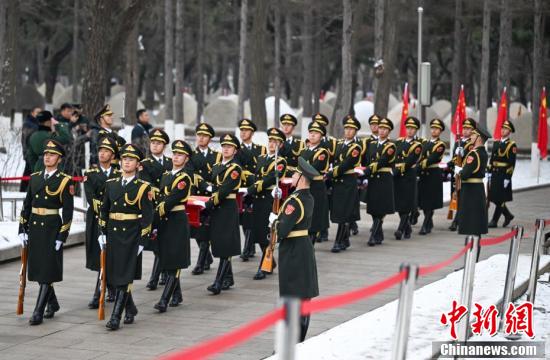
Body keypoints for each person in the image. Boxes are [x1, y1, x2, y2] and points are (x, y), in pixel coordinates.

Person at [18, 140, 74, 325]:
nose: (47, 157)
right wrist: (22, 228)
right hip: (35, 227)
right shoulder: (35, 177)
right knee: (39, 269)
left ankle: (38, 312)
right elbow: (27, 206)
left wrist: (62, 236)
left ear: (59, 158)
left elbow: (67, 212)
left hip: (51, 228)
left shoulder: (65, 181)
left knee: (46, 271)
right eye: (46, 154)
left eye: (52, 155)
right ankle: (53, 303)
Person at [98, 144, 153, 330]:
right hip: (113, 233)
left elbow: (147, 217)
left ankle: (116, 317)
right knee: (114, 276)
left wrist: (142, 242)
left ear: (138, 164)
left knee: (125, 276)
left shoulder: (143, 187)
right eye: (124, 159)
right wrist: (102, 233)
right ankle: (131, 309)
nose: (127, 162)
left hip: (131, 235)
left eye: (131, 160)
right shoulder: (111, 184)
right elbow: (103, 211)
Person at [270, 157, 319, 342]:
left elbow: (282, 230)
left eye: (296, 174)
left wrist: (274, 221)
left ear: (303, 178)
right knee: (302, 296)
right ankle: (298, 340)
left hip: (293, 251)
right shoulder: (307, 198)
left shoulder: (295, 201)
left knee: (293, 296)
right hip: (302, 247)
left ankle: (293, 342)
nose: (292, 175)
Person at [153, 140, 194, 312]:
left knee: (175, 261)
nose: (176, 157)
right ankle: (177, 295)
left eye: (180, 155)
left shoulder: (184, 178)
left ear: (186, 159)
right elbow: (161, 196)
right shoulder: (166, 175)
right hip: (165, 221)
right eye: (175, 154)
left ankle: (164, 300)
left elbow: (170, 200)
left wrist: (153, 216)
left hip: (176, 219)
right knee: (167, 257)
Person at [244, 128, 287, 280]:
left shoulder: (280, 161)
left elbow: (269, 179)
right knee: (258, 232)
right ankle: (271, 261)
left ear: (280, 145)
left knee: (267, 233)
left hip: (269, 199)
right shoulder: (261, 158)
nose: (271, 144)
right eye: (270, 141)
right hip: (258, 199)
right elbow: (256, 177)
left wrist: (250, 189)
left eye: (275, 142)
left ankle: (264, 265)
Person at [202, 134, 242, 295]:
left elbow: (224, 190)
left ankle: (218, 282)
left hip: (226, 207)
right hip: (217, 207)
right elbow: (213, 185)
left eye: (229, 147)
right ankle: (229, 278)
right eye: (224, 146)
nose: (225, 149)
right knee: (219, 241)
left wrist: (209, 203)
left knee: (226, 244)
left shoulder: (235, 168)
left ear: (235, 150)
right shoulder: (217, 165)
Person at [83, 137, 121, 309]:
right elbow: (91, 198)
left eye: (106, 151)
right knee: (100, 254)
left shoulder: (119, 174)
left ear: (112, 154)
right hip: (97, 219)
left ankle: (106, 288)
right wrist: (105, 210)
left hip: (114, 219)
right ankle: (101, 290)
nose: (102, 154)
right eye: (100, 151)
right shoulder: (90, 174)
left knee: (111, 254)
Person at [140, 128, 173, 290]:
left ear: (164, 145)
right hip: (153, 207)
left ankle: (159, 276)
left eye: (158, 143)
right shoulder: (145, 164)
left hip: (168, 207)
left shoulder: (170, 163)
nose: (154, 146)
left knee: (164, 241)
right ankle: (158, 276)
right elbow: (147, 185)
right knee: (156, 243)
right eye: (152, 143)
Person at [326, 115, 362, 253]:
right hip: (337, 183)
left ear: (355, 131)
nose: (348, 131)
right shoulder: (339, 144)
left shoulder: (356, 147)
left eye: (351, 129)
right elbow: (334, 160)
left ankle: (337, 241)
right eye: (346, 128)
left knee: (343, 213)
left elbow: (346, 165)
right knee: (339, 212)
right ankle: (345, 239)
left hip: (347, 182)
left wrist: (330, 173)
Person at [189, 123, 220, 275]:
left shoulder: (216, 155)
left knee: (205, 230)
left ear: (210, 138)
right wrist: (205, 185)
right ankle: (207, 257)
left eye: (205, 136)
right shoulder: (190, 155)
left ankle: (200, 263)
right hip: (195, 196)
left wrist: (212, 188)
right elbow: (191, 173)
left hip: (210, 197)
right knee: (196, 229)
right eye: (199, 135)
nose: (201, 138)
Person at [235, 118, 266, 261]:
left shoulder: (261, 149)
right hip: (243, 187)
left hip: (258, 188)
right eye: (241, 130)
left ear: (252, 132)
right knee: (245, 217)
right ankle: (249, 247)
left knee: (252, 216)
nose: (243, 133)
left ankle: (248, 248)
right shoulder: (236, 150)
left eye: (246, 130)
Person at [363, 117, 396, 246]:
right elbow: (367, 160)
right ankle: (379, 234)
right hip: (373, 179)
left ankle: (373, 236)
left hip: (383, 179)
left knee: (380, 208)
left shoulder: (390, 146)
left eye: (385, 129)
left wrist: (366, 171)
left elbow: (382, 161)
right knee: (373, 208)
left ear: (389, 131)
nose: (382, 131)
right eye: (381, 128)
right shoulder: (371, 144)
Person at [455, 125, 490, 237]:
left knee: (471, 223)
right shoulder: (482, 152)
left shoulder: (474, 154)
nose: (471, 136)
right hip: (477, 189)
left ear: (479, 138)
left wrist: (459, 171)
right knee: (475, 224)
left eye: (474, 134)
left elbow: (465, 174)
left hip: (471, 191)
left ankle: (472, 251)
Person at [392, 116, 422, 240]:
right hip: (398, 178)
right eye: (408, 128)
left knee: (407, 204)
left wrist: (395, 171)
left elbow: (409, 162)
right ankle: (408, 228)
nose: (410, 131)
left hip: (408, 176)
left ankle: (400, 229)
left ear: (416, 130)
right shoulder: (398, 142)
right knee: (399, 204)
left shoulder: (417, 145)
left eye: (412, 128)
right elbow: (394, 158)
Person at [301, 121, 330, 245]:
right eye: (311, 133)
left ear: (321, 137)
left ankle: (310, 245)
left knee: (314, 216)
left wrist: (297, 173)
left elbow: (313, 168)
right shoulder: (304, 151)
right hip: (303, 186)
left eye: (316, 133)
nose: (312, 135)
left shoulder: (322, 152)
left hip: (316, 187)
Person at [309, 113, 336, 242]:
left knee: (321, 208)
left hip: (323, 177)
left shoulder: (329, 144)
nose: (313, 134)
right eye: (312, 131)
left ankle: (322, 230)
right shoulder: (307, 146)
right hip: (306, 182)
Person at [417, 118, 446, 235]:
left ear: (440, 131)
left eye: (437, 129)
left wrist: (417, 168)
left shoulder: (440, 145)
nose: (434, 131)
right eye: (433, 128)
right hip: (424, 174)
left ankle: (425, 224)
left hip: (433, 174)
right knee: (424, 200)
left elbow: (431, 159)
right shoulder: (425, 143)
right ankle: (429, 221)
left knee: (430, 200)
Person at [447, 118, 476, 231]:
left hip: (465, 173)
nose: (465, 131)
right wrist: (448, 165)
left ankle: (457, 221)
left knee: (462, 197)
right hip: (456, 173)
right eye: (464, 128)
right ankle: (460, 218)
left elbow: (471, 158)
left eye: (468, 129)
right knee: (454, 195)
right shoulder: (458, 142)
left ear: (473, 130)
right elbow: (454, 158)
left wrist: (463, 154)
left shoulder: (472, 143)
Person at [487, 120, 517, 228]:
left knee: (500, 198)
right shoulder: (496, 143)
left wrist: (508, 178)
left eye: (506, 129)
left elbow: (512, 163)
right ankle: (508, 215)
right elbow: (492, 159)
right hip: (495, 173)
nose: (503, 130)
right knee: (494, 197)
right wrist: (489, 172)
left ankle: (494, 221)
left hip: (503, 174)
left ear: (509, 131)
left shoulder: (511, 145)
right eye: (502, 128)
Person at [21, 106, 41, 192]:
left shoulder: (38, 123)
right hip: (29, 153)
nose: (39, 114)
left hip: (35, 153)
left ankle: (27, 191)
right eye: (37, 112)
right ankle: (23, 192)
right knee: (28, 173)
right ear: (32, 113)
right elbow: (26, 139)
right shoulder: (28, 124)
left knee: (31, 173)